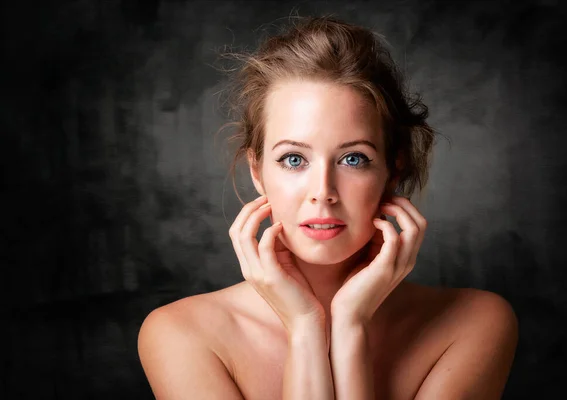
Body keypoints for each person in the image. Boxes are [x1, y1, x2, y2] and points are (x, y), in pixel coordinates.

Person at [137, 14, 518, 400]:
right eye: (293, 159)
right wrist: (305, 328)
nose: (323, 192)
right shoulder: (181, 334)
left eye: (353, 159)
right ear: (257, 170)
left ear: (392, 169)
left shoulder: (474, 323)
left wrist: (350, 326)